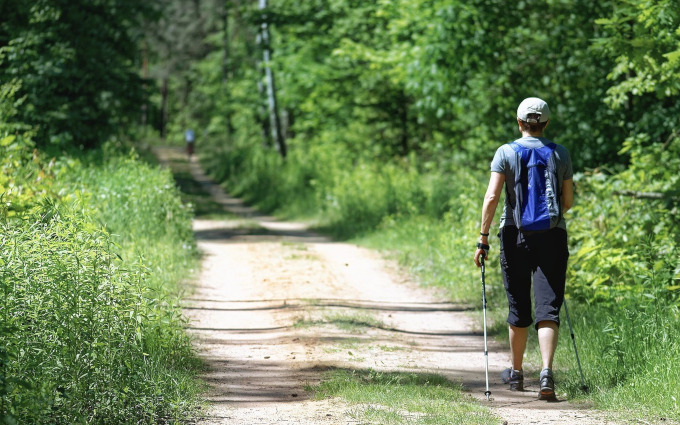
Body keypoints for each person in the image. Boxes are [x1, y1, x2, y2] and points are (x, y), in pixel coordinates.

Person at [473, 97, 574, 401]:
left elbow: (492, 198)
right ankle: (545, 373)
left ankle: (516, 374)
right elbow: (567, 203)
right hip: (552, 236)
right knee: (548, 308)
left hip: (513, 235)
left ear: (519, 123)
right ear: (546, 124)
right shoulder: (560, 153)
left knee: (519, 305)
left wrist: (483, 237)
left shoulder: (505, 152)